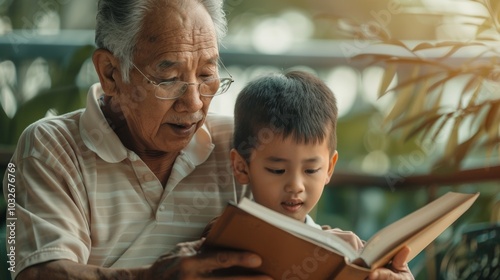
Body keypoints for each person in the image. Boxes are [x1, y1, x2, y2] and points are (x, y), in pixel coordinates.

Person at [3, 0, 413, 279]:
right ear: (111, 74)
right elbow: (40, 273)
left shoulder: (237, 142)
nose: (194, 101)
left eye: (207, 74)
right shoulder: (50, 146)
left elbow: (297, 231)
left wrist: (377, 267)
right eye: (168, 77)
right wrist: (150, 277)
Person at [228, 70, 413, 279]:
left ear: (329, 168)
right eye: (277, 170)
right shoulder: (223, 243)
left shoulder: (349, 251)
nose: (296, 185)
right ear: (242, 167)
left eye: (311, 170)